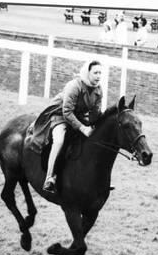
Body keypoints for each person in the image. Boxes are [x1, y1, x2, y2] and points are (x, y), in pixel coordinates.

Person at [29, 61, 103, 194]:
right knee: (59, 141)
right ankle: (49, 178)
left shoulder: (98, 90)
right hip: (60, 115)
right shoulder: (74, 86)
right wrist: (83, 128)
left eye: (100, 73)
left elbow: (95, 114)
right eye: (95, 72)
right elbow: (67, 112)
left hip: (78, 117)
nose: (98, 76)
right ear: (88, 73)